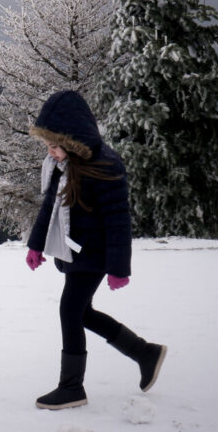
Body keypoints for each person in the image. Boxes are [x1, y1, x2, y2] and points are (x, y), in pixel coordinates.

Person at [25, 90, 166, 410]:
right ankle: (145, 353)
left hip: (95, 255)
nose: (50, 151)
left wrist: (119, 267)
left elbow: (119, 221)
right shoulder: (63, 164)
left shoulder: (105, 166)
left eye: (54, 144)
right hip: (75, 252)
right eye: (47, 144)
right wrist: (36, 245)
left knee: (70, 310)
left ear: (73, 140)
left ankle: (71, 388)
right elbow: (50, 206)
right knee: (81, 312)